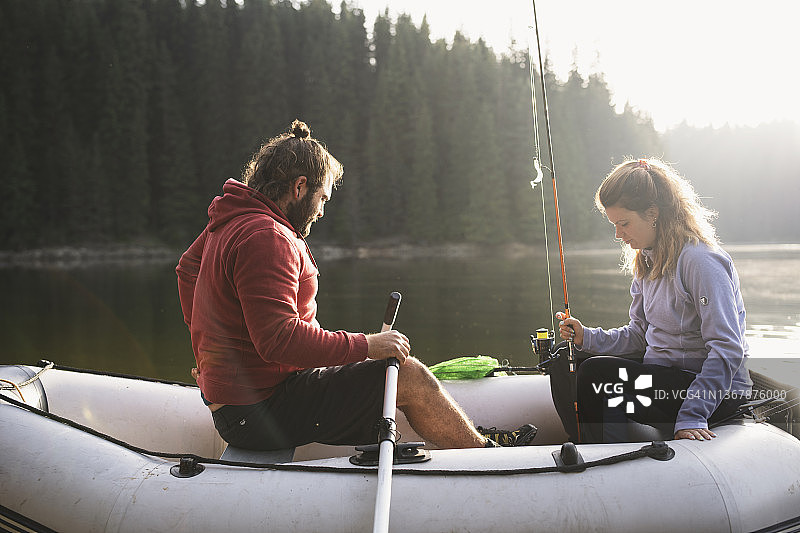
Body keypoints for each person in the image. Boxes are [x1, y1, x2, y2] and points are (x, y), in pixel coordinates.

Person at [177, 119, 535, 451]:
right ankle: (486, 456)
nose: (321, 211)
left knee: (383, 378)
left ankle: (469, 437)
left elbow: (187, 271)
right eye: (322, 198)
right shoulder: (268, 235)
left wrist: (210, 359)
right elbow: (279, 340)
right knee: (408, 376)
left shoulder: (232, 219)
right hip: (259, 410)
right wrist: (368, 345)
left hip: (243, 404)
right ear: (299, 187)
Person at [550, 157, 752, 443]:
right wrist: (587, 337)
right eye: (614, 225)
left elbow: (726, 348)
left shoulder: (701, 261)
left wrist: (693, 414)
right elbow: (638, 336)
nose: (618, 234)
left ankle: (608, 453)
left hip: (712, 394)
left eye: (624, 223)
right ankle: (586, 444)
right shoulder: (647, 261)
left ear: (653, 214)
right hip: (662, 381)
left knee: (598, 374)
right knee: (564, 357)